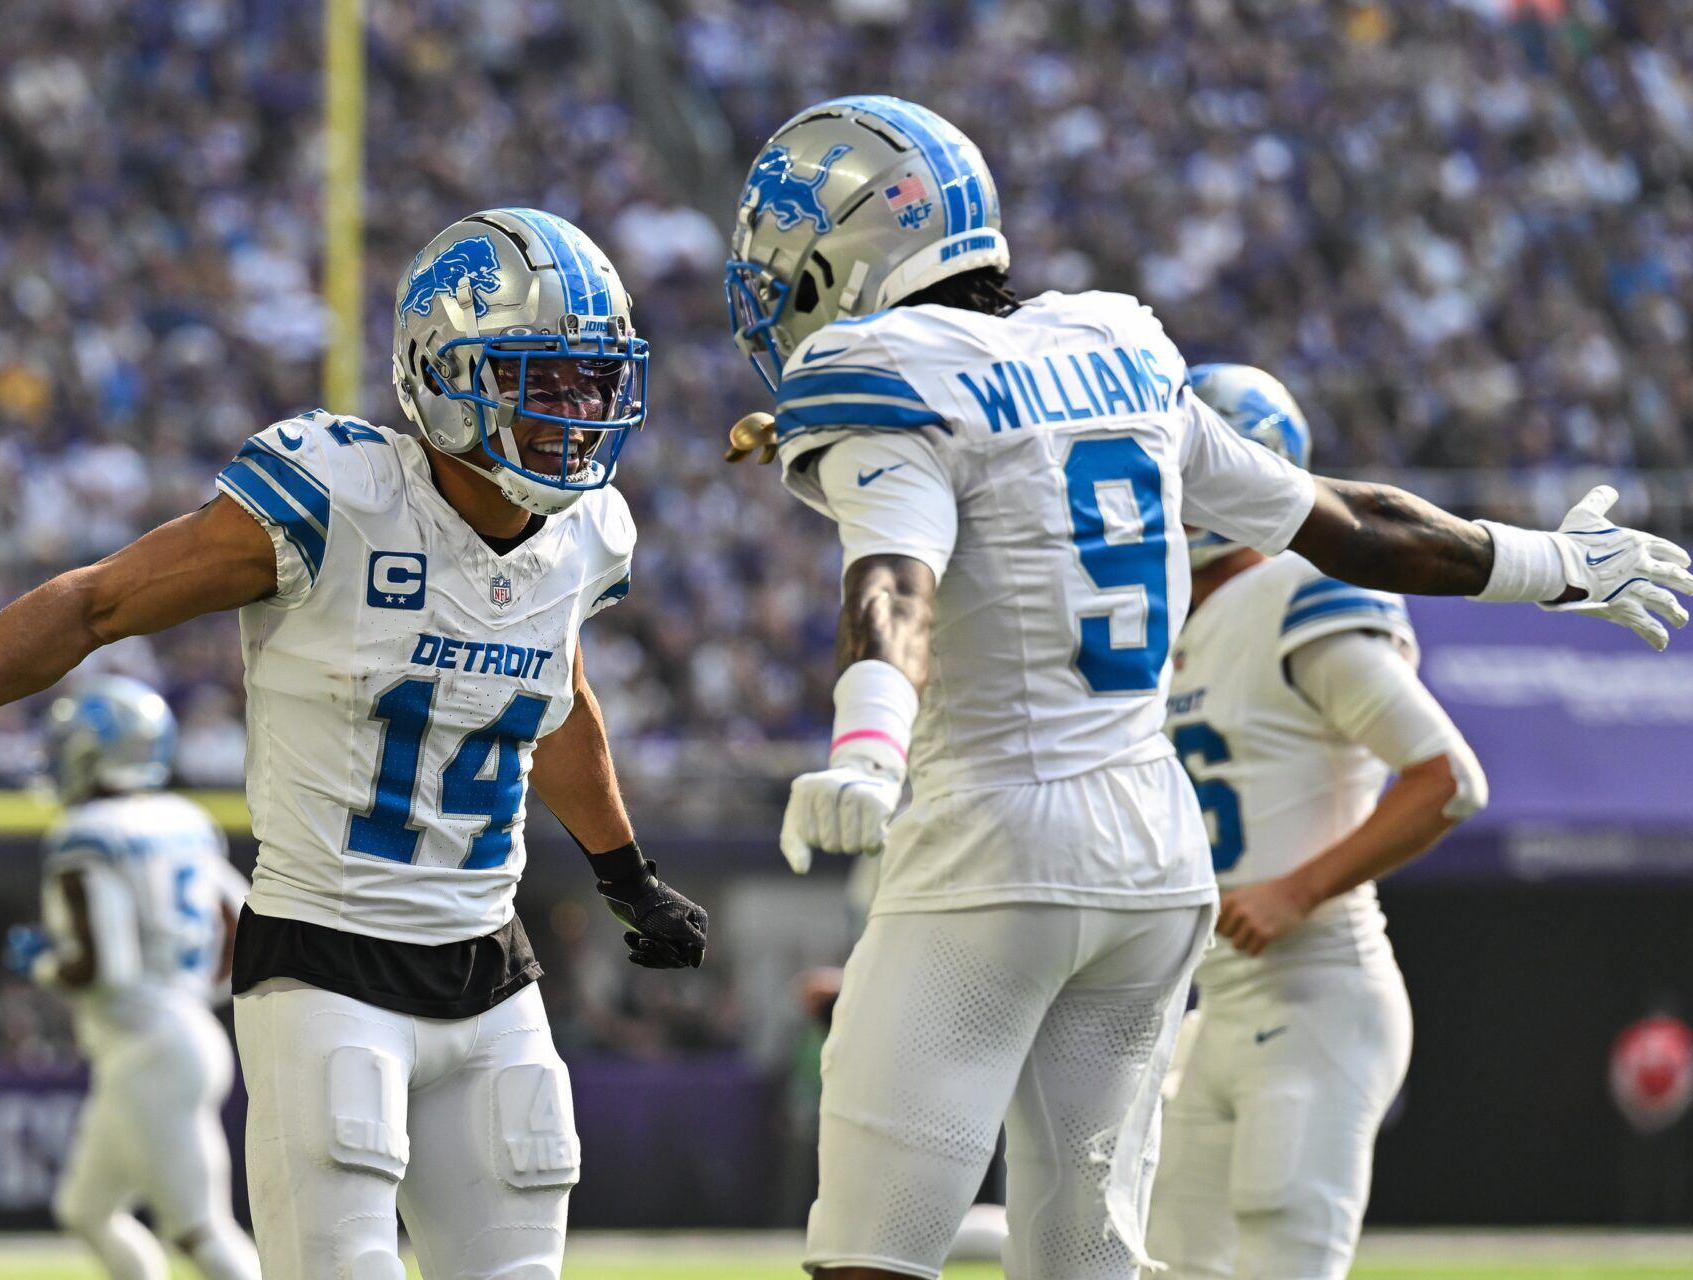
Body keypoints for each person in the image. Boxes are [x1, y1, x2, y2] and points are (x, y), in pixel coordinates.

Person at [721, 95, 1693, 1280]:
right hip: (1152, 861)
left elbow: (896, 575)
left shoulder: (876, 376)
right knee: (1087, 1262)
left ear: (852, 244)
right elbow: (1348, 522)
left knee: (871, 1255)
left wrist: (870, 743)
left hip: (993, 846)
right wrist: (1550, 565)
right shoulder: (1113, 352)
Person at [0, 207, 708, 1280]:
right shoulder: (334, 499)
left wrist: (627, 874)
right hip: (329, 968)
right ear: (444, 370)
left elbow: (555, 695)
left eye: (589, 381)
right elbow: (98, 603)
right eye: (542, 376)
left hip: (495, 973)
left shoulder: (589, 533)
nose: (575, 412)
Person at [1142, 364, 1485, 1278]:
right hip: (1214, 1005)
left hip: (1318, 989)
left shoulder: (1298, 590)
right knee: (1165, 1263)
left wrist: (1297, 888)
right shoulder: (1173, 616)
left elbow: (1446, 777)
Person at [4, 677, 260, 1280]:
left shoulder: (85, 834)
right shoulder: (186, 819)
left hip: (150, 1048)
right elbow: (241, 929)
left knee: (200, 1231)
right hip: (175, 1033)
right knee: (86, 1210)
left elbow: (105, 967)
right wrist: (188, 989)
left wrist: (42, 963)